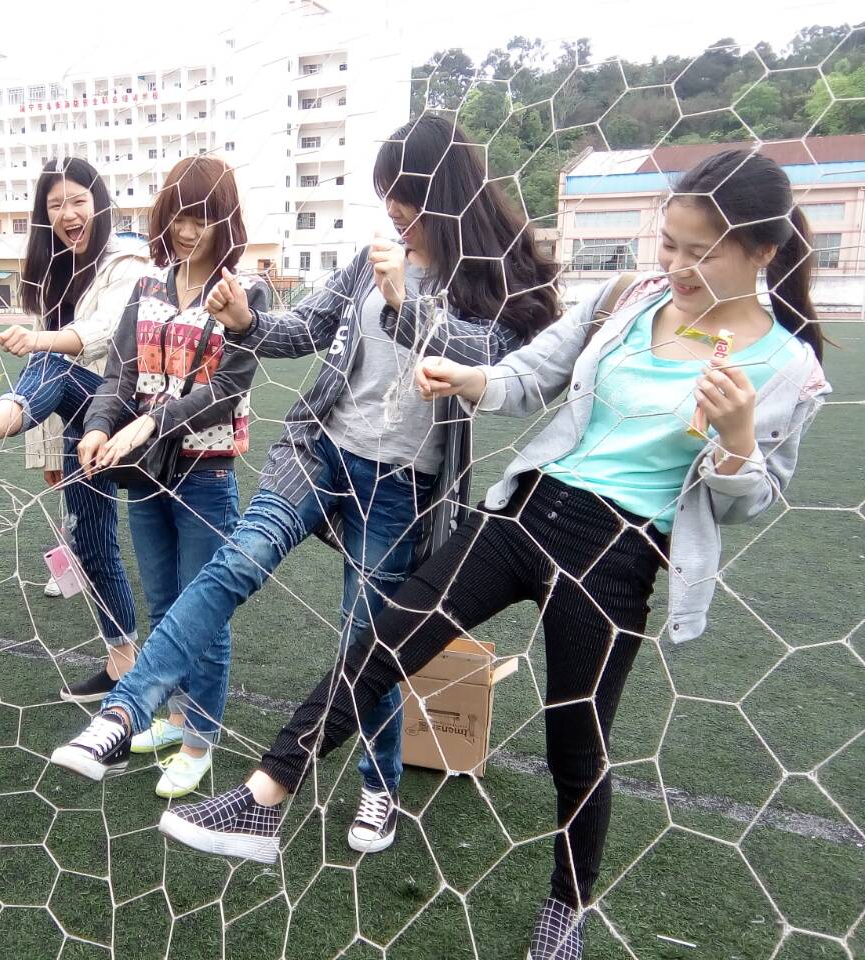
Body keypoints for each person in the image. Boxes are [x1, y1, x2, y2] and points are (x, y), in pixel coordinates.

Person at [159, 149, 831, 959]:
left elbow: (750, 499)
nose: (678, 267)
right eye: (670, 244)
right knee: (385, 640)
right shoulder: (628, 298)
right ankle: (264, 798)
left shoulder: (788, 366)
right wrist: (467, 379)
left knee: (576, 742)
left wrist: (737, 438)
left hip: (617, 556)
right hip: (527, 511)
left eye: (702, 252)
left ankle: (566, 907)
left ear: (762, 251)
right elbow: (530, 375)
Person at [49, 114, 559, 853]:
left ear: (443, 191)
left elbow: (490, 366)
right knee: (237, 562)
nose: (393, 210)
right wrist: (246, 319)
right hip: (320, 450)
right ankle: (121, 716)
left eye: (404, 194)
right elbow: (304, 330)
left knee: (366, 642)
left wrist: (405, 303)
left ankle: (380, 788)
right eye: (386, 194)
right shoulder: (369, 259)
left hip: (402, 484)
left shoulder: (488, 276)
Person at [54, 155, 265, 798]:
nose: (188, 230)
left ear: (225, 220)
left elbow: (228, 388)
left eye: (202, 217)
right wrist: (98, 425)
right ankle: (173, 719)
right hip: (145, 474)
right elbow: (120, 371)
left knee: (207, 612)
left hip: (204, 472)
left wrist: (150, 422)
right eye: (177, 215)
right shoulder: (148, 286)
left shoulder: (244, 292)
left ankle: (199, 740)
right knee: (164, 602)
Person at [0, 158, 148, 700]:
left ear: (100, 204)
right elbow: (52, 377)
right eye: (55, 205)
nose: (68, 213)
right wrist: (47, 452)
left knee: (52, 360)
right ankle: (123, 663)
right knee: (90, 540)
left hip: (130, 416)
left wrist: (40, 341)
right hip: (80, 420)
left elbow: (104, 332)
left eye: (78, 200)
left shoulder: (128, 263)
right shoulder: (56, 273)